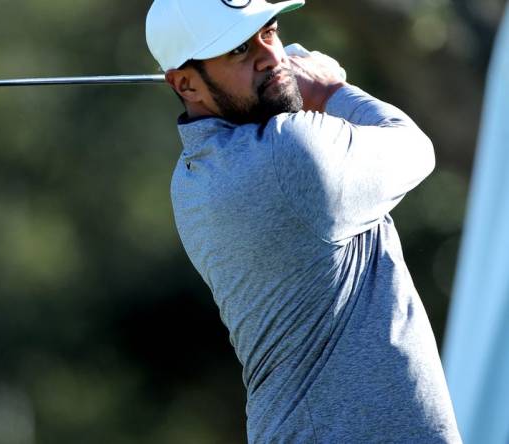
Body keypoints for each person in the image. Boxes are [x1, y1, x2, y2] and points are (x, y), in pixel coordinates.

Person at [145, 0, 462, 442]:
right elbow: (415, 148)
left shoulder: (191, 176)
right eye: (238, 50)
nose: (271, 57)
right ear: (186, 84)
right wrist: (331, 90)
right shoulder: (288, 154)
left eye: (269, 32)